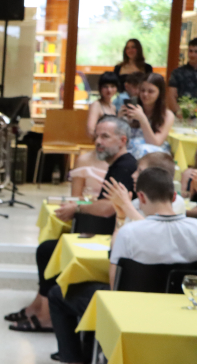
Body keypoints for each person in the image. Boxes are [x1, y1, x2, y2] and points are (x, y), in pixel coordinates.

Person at [45, 166, 197, 364]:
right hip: (180, 310)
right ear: (174, 195)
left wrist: (121, 219)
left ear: (141, 197)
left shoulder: (131, 232)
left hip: (131, 311)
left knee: (58, 294)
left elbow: (115, 284)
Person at [8, 117, 137, 332]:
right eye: (97, 136)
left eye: (105, 136)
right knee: (48, 250)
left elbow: (109, 208)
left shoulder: (124, 167)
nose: (98, 141)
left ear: (122, 140)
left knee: (50, 251)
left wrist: (77, 208)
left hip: (111, 238)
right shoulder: (118, 164)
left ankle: (46, 315)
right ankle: (37, 307)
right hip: (104, 231)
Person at [118, 72, 174, 159]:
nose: (145, 94)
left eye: (150, 91)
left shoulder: (167, 115)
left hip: (152, 152)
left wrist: (142, 119)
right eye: (142, 90)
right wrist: (119, 120)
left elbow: (155, 143)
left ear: (160, 93)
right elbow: (119, 138)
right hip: (129, 150)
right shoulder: (133, 108)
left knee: (142, 149)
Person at [167, 37, 197, 114]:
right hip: (182, 114)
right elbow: (171, 96)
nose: (192, 54)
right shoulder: (177, 73)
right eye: (190, 51)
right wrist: (180, 112)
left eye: (196, 51)